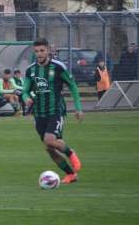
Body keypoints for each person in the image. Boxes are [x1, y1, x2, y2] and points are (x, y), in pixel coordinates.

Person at [22, 38, 84, 185]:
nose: (39, 54)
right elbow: (25, 91)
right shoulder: (31, 70)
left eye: (42, 50)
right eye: (36, 51)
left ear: (48, 50)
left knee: (49, 140)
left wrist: (78, 108)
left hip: (55, 110)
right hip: (39, 113)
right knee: (49, 147)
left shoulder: (57, 67)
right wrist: (26, 98)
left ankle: (71, 153)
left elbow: (73, 86)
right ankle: (71, 175)